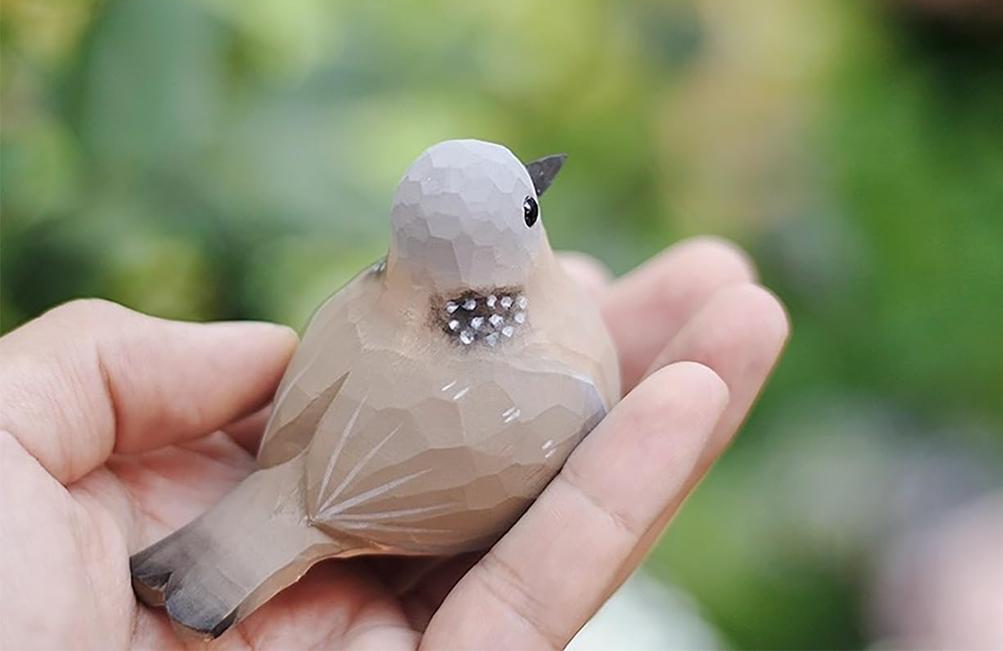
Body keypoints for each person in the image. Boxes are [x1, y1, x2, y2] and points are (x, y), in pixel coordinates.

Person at [0, 239, 787, 650]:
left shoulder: (363, 297)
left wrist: (300, 485)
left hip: (299, 477)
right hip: (337, 499)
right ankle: (243, 554)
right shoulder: (558, 379)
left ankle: (227, 554)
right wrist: (322, 510)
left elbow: (317, 373)